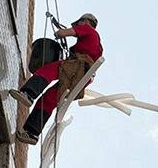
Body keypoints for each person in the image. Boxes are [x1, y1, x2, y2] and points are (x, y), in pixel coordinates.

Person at [10, 13, 103, 145]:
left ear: (86, 21)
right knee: (49, 99)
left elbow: (63, 33)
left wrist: (60, 33)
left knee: (47, 71)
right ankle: (33, 133)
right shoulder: (97, 45)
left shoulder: (89, 29)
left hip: (78, 66)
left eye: (78, 23)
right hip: (83, 78)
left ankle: (28, 94)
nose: (77, 26)